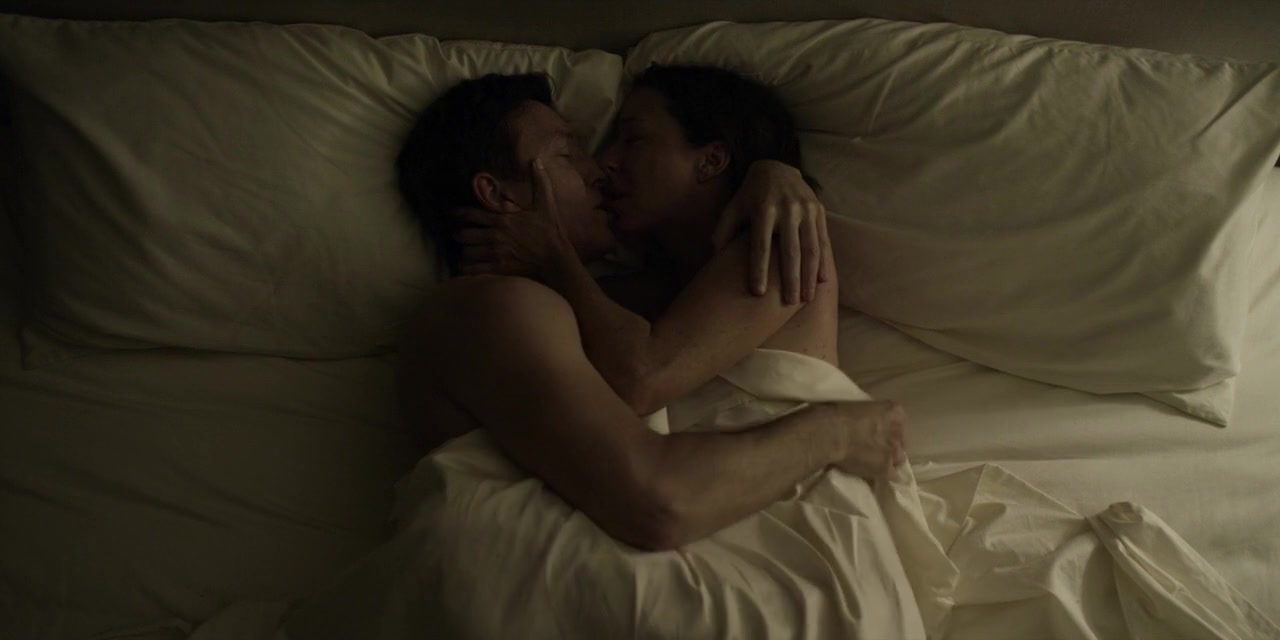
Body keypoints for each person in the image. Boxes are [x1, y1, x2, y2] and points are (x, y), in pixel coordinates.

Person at [395, 70, 905, 551]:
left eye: (633, 140)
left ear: (710, 159)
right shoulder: (595, 299)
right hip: (704, 515)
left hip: (795, 514)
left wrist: (774, 171)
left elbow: (641, 375)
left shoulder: (776, 242)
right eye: (571, 153)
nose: (604, 164)